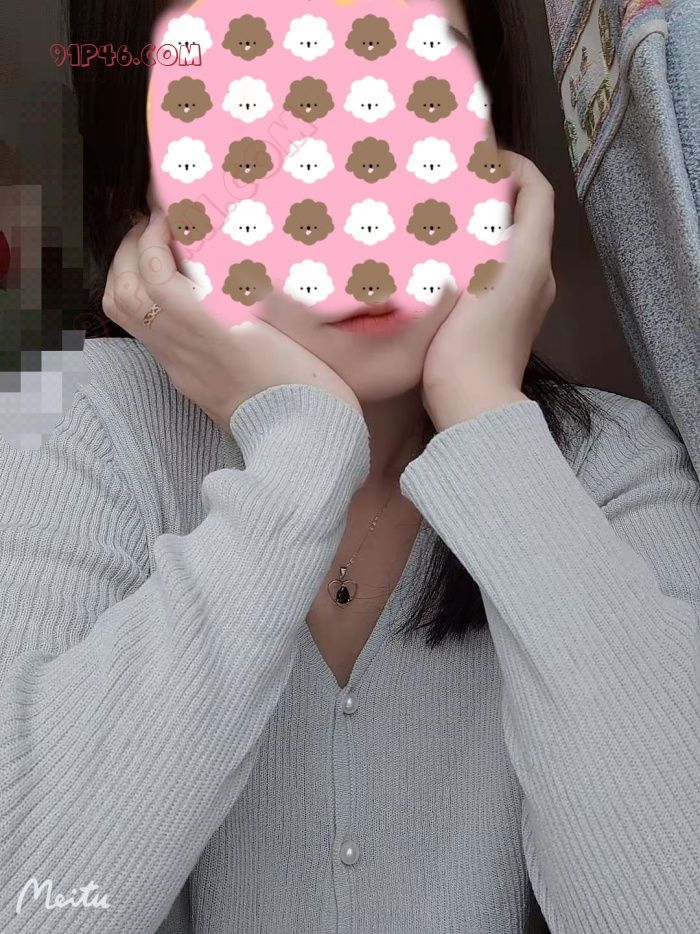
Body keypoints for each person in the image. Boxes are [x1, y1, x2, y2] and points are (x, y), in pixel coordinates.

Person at [1, 1, 698, 932]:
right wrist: (300, 451)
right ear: (150, 198)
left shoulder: (606, 468)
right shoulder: (74, 423)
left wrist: (486, 420)